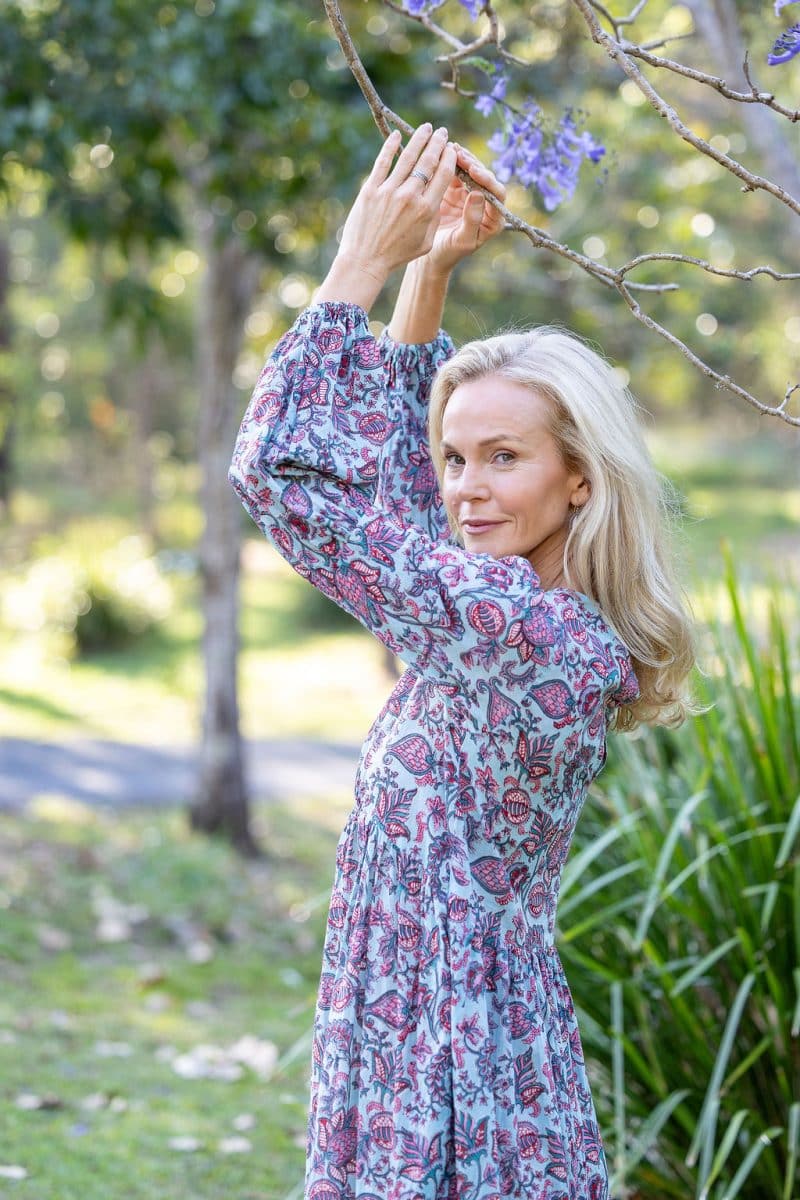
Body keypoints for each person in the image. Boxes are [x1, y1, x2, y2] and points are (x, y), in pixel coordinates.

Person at [228, 124, 696, 1200]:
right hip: (431, 1018)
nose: (465, 487)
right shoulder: (519, 613)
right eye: (456, 458)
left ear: (578, 480)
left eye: (502, 457)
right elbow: (401, 490)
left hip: (445, 1044)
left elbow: (283, 482)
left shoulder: (516, 633)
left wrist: (360, 259)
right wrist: (432, 268)